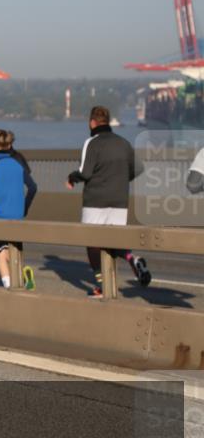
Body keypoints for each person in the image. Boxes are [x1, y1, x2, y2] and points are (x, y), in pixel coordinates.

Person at [67, 106, 151, 297]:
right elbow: (138, 168)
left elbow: (85, 172)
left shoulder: (92, 142)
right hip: (119, 199)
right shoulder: (123, 143)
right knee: (114, 239)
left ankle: (102, 284)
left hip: (95, 199)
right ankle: (133, 258)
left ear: (92, 122)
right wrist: (121, 180)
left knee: (92, 241)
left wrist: (72, 177)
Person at [0, 129, 39, 289]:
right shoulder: (18, 164)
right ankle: (22, 272)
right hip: (17, 215)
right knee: (13, 249)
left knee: (0, 251)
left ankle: (8, 284)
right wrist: (24, 207)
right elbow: (33, 187)